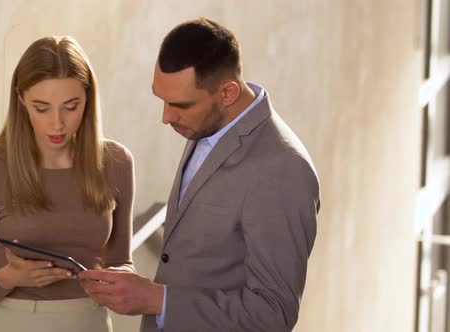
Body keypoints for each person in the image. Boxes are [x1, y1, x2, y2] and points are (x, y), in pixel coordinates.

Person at [79, 18, 320, 332]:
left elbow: (272, 314)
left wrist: (158, 300)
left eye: (179, 105)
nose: (166, 117)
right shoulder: (206, 123)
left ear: (228, 93)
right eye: (161, 99)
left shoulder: (283, 169)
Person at [0, 35, 135, 332]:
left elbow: (122, 262)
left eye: (71, 106)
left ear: (88, 100)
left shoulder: (116, 162)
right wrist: (10, 278)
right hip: (16, 322)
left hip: (90, 320)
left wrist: (115, 280)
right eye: (42, 108)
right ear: (21, 99)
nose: (57, 124)